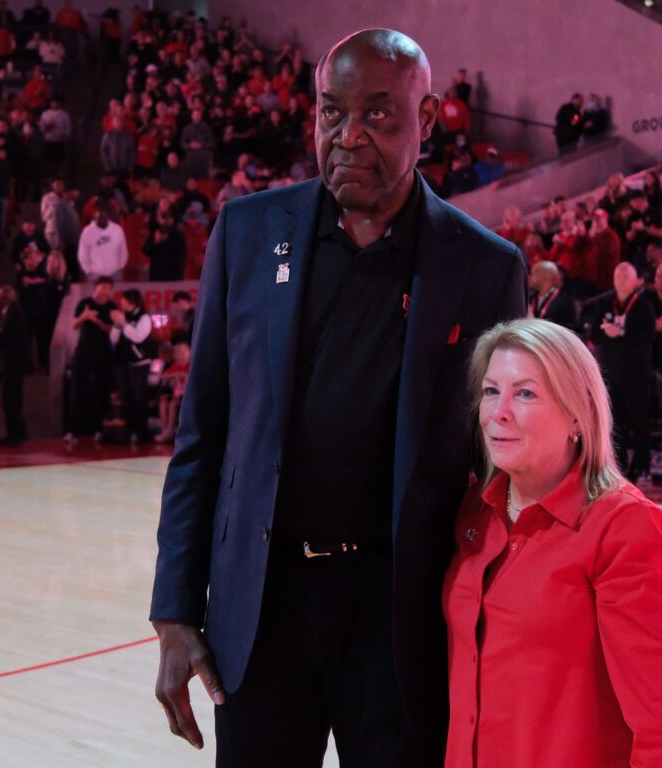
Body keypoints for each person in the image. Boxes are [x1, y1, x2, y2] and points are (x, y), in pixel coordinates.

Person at [149, 28, 526, 767]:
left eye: (379, 115)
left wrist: (603, 570)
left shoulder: (484, 265)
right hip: (260, 612)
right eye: (331, 113)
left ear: (431, 115)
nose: (349, 136)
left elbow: (508, 455)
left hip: (397, 619)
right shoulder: (250, 233)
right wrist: (174, 609)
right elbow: (205, 433)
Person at [443, 318, 662, 768]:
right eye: (490, 391)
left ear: (577, 414)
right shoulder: (475, 513)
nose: (498, 412)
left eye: (525, 393)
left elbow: (661, 719)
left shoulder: (623, 526)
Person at [592, 262, 656, 482]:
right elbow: (594, 333)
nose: (620, 278)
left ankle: (643, 468)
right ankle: (618, 469)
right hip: (611, 371)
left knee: (639, 421)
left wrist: (620, 332)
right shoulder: (603, 303)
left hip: (636, 373)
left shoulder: (643, 306)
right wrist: (607, 334)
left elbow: (647, 336)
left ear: (636, 280)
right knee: (614, 422)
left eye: (626, 275)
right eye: (618, 274)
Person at [63, 277, 116, 444]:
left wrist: (97, 320)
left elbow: (112, 330)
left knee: (102, 391)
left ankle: (101, 429)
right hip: (83, 352)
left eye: (109, 288)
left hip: (103, 354)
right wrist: (85, 316)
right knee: (77, 389)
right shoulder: (84, 303)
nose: (105, 291)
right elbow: (74, 325)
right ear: (96, 288)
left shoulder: (112, 307)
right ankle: (72, 430)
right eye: (103, 287)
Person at [109, 289, 154, 444]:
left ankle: (142, 432)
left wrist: (123, 324)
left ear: (130, 300)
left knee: (139, 397)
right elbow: (113, 339)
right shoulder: (123, 317)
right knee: (126, 397)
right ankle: (128, 431)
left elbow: (138, 336)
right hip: (122, 362)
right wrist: (117, 324)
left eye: (123, 299)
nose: (121, 302)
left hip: (139, 363)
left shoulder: (144, 317)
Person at [0, 285, 33, 446]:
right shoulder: (6, 314)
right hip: (10, 363)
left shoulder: (14, 313)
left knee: (12, 400)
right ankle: (15, 432)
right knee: (10, 400)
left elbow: (9, 338)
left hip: (14, 364)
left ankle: (16, 434)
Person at [78, 204, 128, 282]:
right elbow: (82, 254)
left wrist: (121, 266)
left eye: (104, 218)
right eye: (98, 218)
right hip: (95, 275)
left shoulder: (117, 230)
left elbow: (123, 251)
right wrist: (88, 271)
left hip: (115, 273)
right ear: (94, 218)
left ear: (108, 218)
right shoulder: (87, 232)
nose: (101, 220)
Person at [155, 340, 191, 443]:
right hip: (175, 393)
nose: (181, 354)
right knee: (163, 401)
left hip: (185, 395)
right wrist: (176, 374)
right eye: (179, 352)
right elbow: (162, 376)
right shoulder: (175, 366)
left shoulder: (191, 366)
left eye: (184, 352)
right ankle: (164, 428)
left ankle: (170, 428)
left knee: (172, 404)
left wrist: (183, 375)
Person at [527, 261, 576, 330]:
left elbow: (566, 331)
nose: (529, 277)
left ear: (545, 277)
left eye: (532, 273)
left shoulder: (564, 302)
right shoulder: (530, 297)